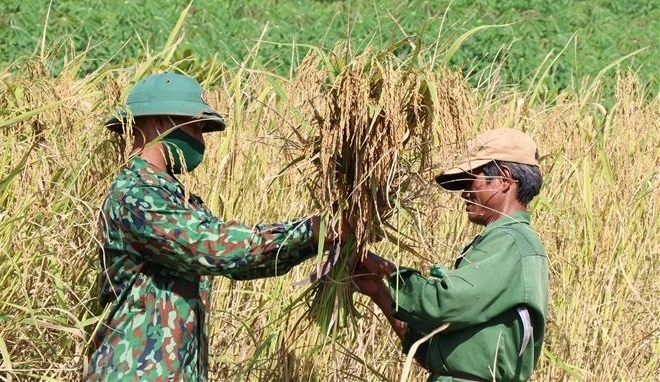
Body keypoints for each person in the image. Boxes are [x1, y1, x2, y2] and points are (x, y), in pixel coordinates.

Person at [86, 72, 338, 381]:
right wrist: (312, 230)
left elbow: (239, 263)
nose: (201, 140)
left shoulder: (176, 199)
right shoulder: (136, 196)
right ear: (163, 123)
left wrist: (319, 237)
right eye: (196, 127)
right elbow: (216, 248)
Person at [353, 128, 549, 382]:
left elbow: (443, 304)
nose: (464, 193)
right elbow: (432, 349)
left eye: (471, 181)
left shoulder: (511, 242)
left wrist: (383, 268)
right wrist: (379, 290)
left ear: (503, 179)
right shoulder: (503, 243)